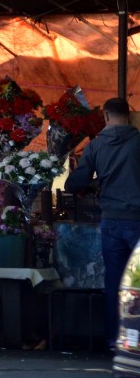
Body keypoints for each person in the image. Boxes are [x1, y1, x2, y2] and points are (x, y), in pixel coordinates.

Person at [65, 97, 140, 349]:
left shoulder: (95, 146)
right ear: (128, 115)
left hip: (111, 222)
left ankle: (115, 340)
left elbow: (76, 182)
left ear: (106, 116)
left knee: (115, 282)